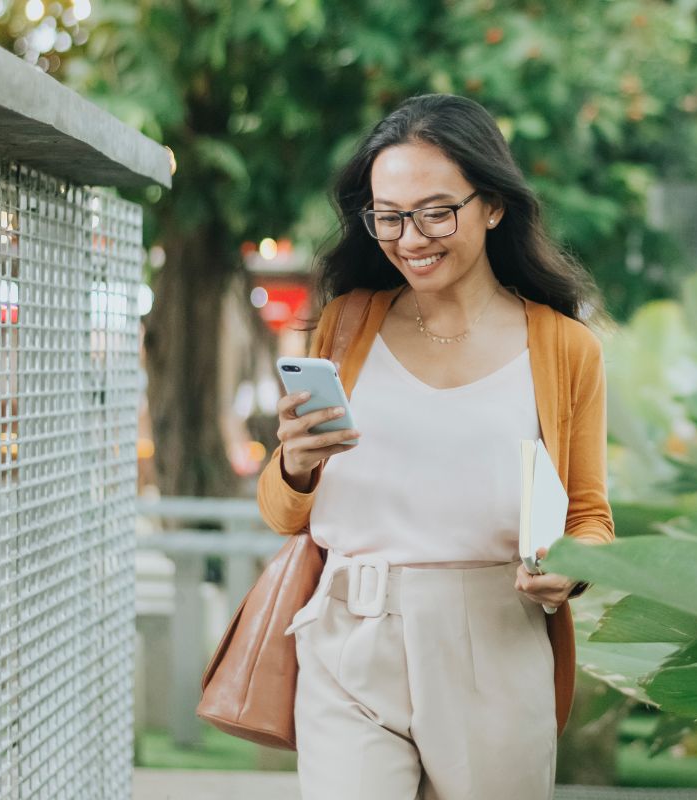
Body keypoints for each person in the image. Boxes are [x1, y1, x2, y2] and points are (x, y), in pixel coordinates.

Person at [257, 93, 614, 800]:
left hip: (494, 636)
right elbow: (284, 515)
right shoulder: (346, 326)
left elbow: (591, 518)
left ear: (494, 205)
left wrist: (569, 569)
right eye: (388, 216)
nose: (409, 237)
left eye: (435, 211)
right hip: (348, 636)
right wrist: (294, 465)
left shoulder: (564, 347)